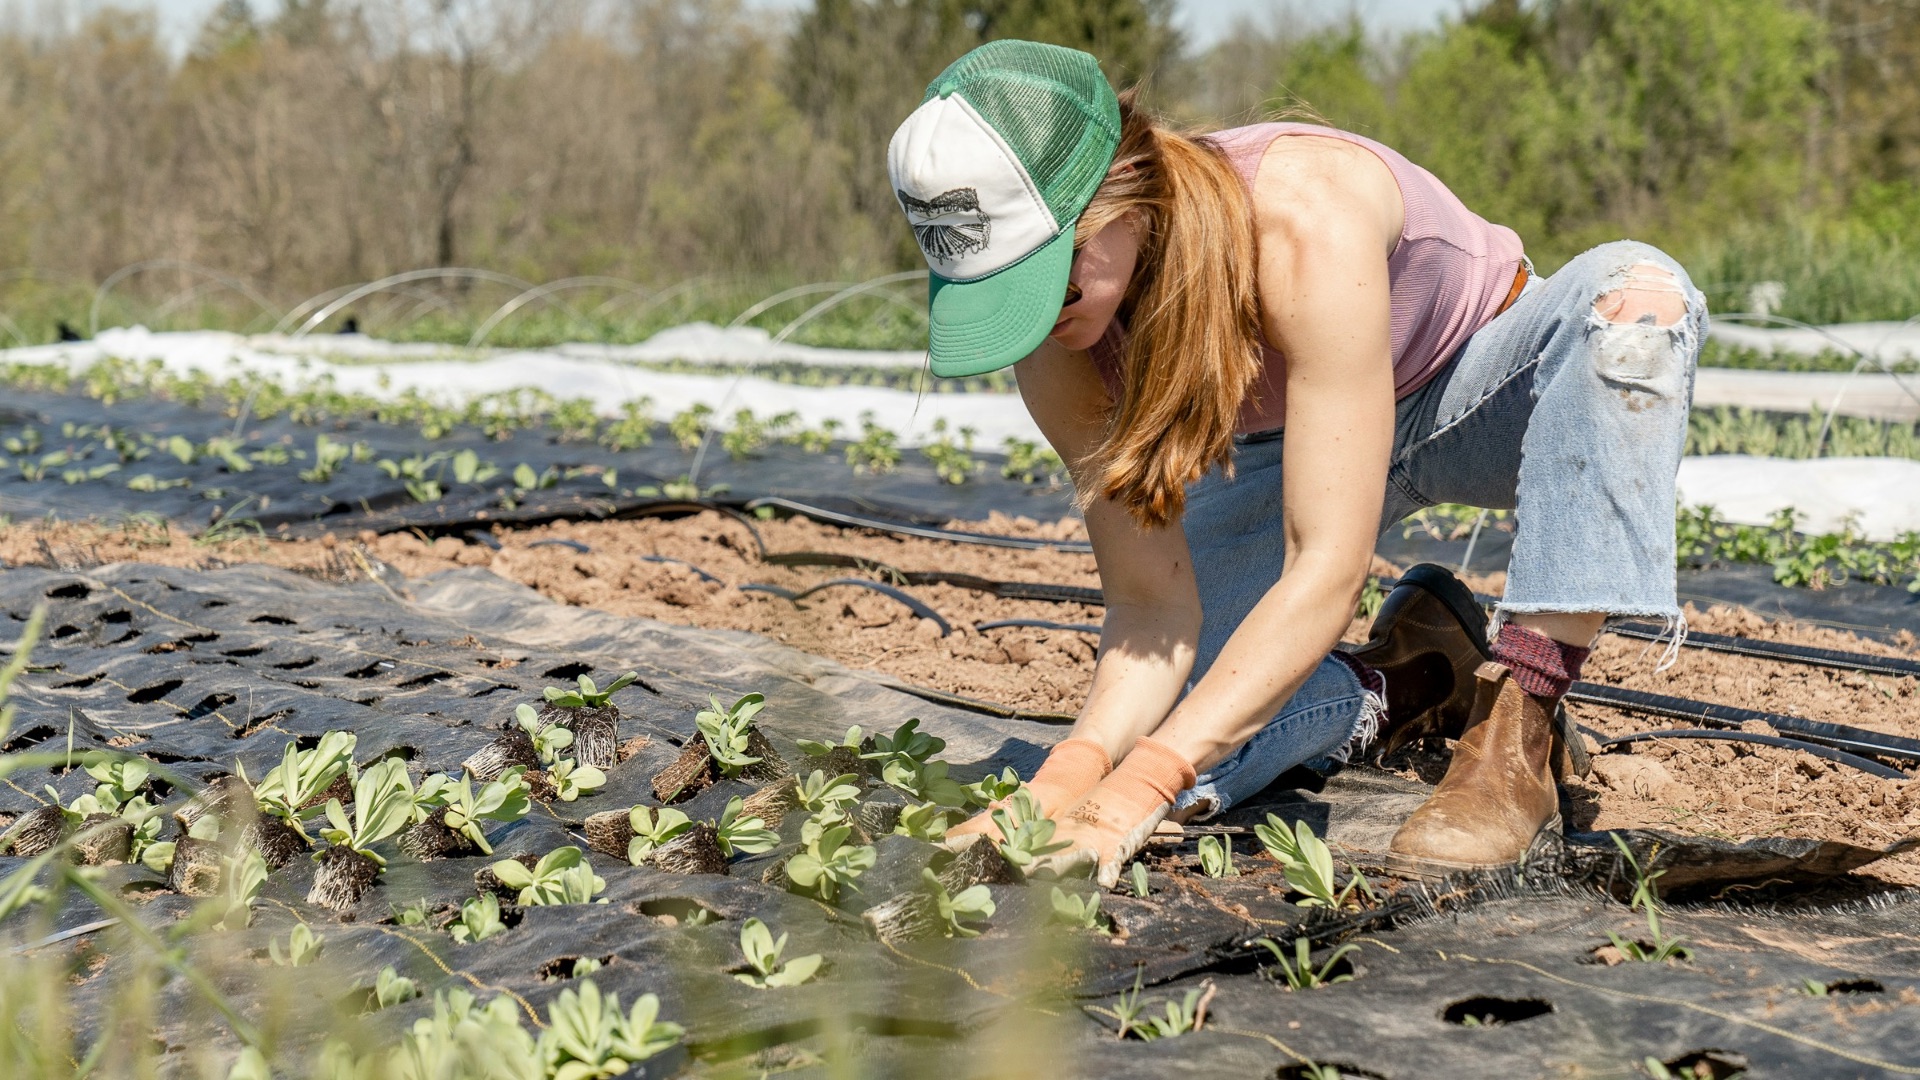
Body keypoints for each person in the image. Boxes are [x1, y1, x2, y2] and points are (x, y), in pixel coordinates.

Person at [888, 41, 1704, 885]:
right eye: (998, 297)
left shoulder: (1298, 215)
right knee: (1189, 722)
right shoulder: (1059, 343)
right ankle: (1407, 677)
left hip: (1479, 394)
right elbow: (1150, 610)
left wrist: (1143, 784)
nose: (1038, 321)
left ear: (1120, 196)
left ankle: (1519, 726)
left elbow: (1327, 567)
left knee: (1637, 301)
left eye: (1047, 282)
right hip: (1295, 448)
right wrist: (1069, 779)